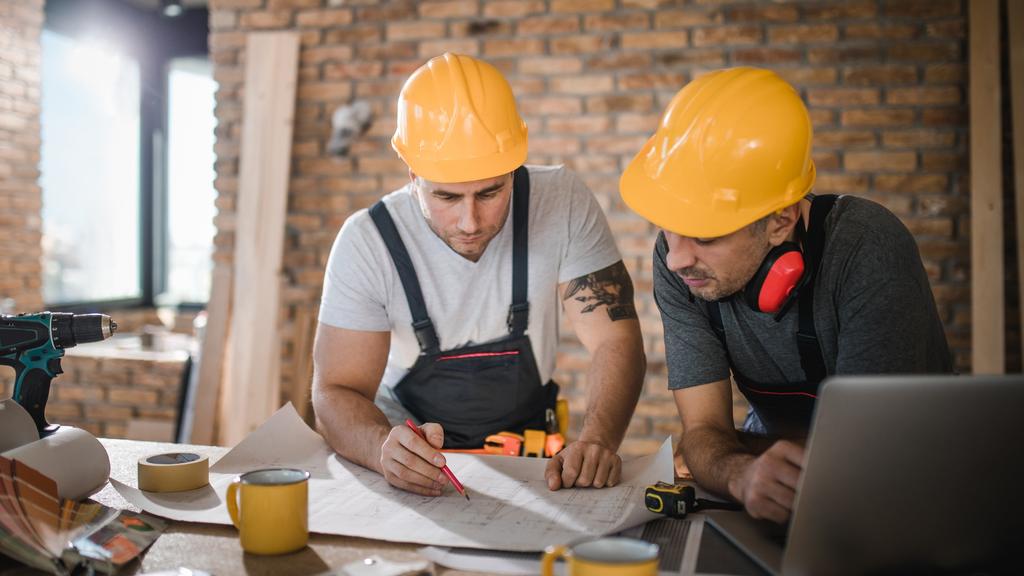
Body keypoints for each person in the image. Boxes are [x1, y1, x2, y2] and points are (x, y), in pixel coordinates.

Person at [619, 67, 952, 524]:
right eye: (670, 229)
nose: (676, 260)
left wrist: (737, 450)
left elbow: (869, 460)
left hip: (912, 497)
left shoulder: (867, 248)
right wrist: (739, 473)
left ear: (780, 221)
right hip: (787, 488)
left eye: (706, 236)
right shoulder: (679, 263)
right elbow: (702, 433)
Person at [313, 53, 645, 498]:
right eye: (447, 196)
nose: (471, 222)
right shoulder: (368, 241)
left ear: (514, 166)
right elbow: (335, 390)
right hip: (407, 452)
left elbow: (615, 339)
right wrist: (379, 449)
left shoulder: (561, 201)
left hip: (530, 451)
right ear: (413, 173)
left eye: (491, 192)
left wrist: (598, 442)